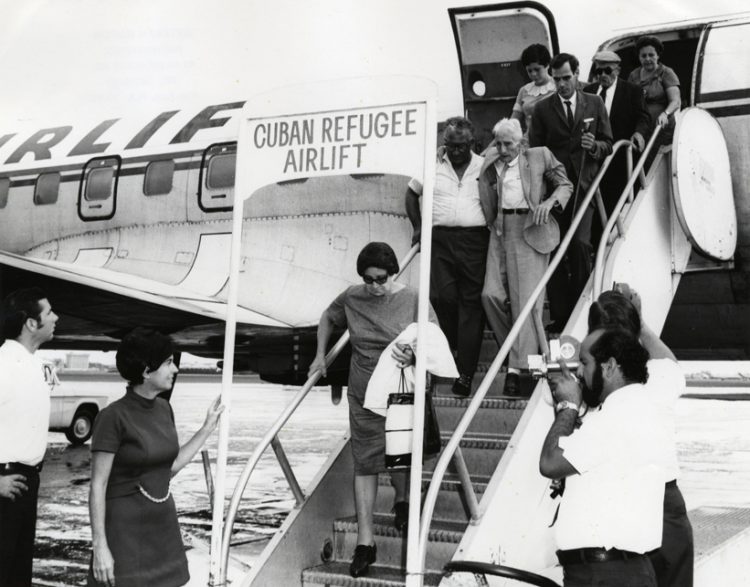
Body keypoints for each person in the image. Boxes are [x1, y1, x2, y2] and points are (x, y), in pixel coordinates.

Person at [308, 242, 437, 578]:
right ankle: (365, 542)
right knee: (365, 463)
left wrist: (415, 356)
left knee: (398, 454)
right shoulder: (353, 296)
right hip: (364, 393)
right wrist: (320, 355)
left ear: (393, 273)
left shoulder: (412, 299)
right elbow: (327, 317)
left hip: (400, 388)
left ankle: (402, 501)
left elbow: (434, 338)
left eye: (381, 279)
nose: (375, 286)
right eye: (369, 280)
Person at [88, 328, 223, 587]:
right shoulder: (112, 417)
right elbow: (98, 485)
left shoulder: (164, 408)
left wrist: (207, 428)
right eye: (168, 363)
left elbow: (168, 468)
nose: (175, 370)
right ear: (146, 371)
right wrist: (100, 547)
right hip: (124, 532)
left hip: (162, 528)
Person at [540, 328, 669, 586]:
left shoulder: (616, 417)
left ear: (609, 367)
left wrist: (568, 405)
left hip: (606, 574)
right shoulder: (636, 407)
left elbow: (550, 462)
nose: (579, 373)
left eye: (585, 363)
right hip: (613, 570)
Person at [589, 285, 694, 587]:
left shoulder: (592, 387)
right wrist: (642, 324)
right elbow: (670, 363)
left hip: (615, 505)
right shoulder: (660, 376)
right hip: (664, 505)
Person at [479, 118, 573, 396]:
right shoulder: (492, 158)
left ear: (520, 142)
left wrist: (549, 202)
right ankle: (517, 351)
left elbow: (564, 184)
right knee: (490, 295)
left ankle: (516, 369)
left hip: (529, 228)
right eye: (498, 143)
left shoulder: (539, 155)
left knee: (525, 302)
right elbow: (473, 161)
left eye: (508, 144)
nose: (503, 148)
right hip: (499, 229)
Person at [528, 52, 613, 332]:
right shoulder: (541, 109)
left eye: (567, 77)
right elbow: (535, 153)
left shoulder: (595, 102)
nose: (562, 84)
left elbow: (608, 144)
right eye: (557, 78)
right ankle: (562, 316)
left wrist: (595, 146)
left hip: (584, 188)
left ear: (577, 74)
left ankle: (583, 310)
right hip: (555, 191)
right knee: (551, 249)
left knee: (579, 246)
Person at [405, 116, 489, 397]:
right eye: (450, 145)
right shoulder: (432, 164)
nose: (455, 151)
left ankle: (464, 374)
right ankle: (451, 351)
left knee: (471, 306)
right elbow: (410, 193)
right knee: (442, 298)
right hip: (439, 239)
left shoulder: (483, 165)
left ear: (471, 143)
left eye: (461, 146)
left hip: (474, 241)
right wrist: (418, 226)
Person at [0, 287, 58, 587]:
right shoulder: (3, 365)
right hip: (5, 485)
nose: (56, 318)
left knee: (16, 576)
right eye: (49, 312)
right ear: (31, 323)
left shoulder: (34, 365)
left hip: (26, 483)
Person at [583, 50, 652, 247]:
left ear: (618, 70)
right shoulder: (588, 91)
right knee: (596, 206)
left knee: (617, 203)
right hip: (594, 159)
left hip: (620, 159)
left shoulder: (632, 91)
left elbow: (643, 117)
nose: (603, 75)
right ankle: (598, 249)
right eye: (599, 71)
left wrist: (639, 133)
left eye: (607, 71)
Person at [627, 36, 681, 145]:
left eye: (651, 55)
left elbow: (675, 101)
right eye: (643, 56)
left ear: (658, 55)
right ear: (639, 57)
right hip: (642, 129)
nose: (647, 59)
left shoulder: (666, 73)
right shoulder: (634, 75)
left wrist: (665, 114)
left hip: (662, 128)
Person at [511, 44, 557, 143]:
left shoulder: (557, 87)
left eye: (537, 69)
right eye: (529, 71)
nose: (533, 74)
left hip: (554, 142)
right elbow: (513, 122)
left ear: (547, 65)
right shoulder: (524, 91)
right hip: (530, 142)